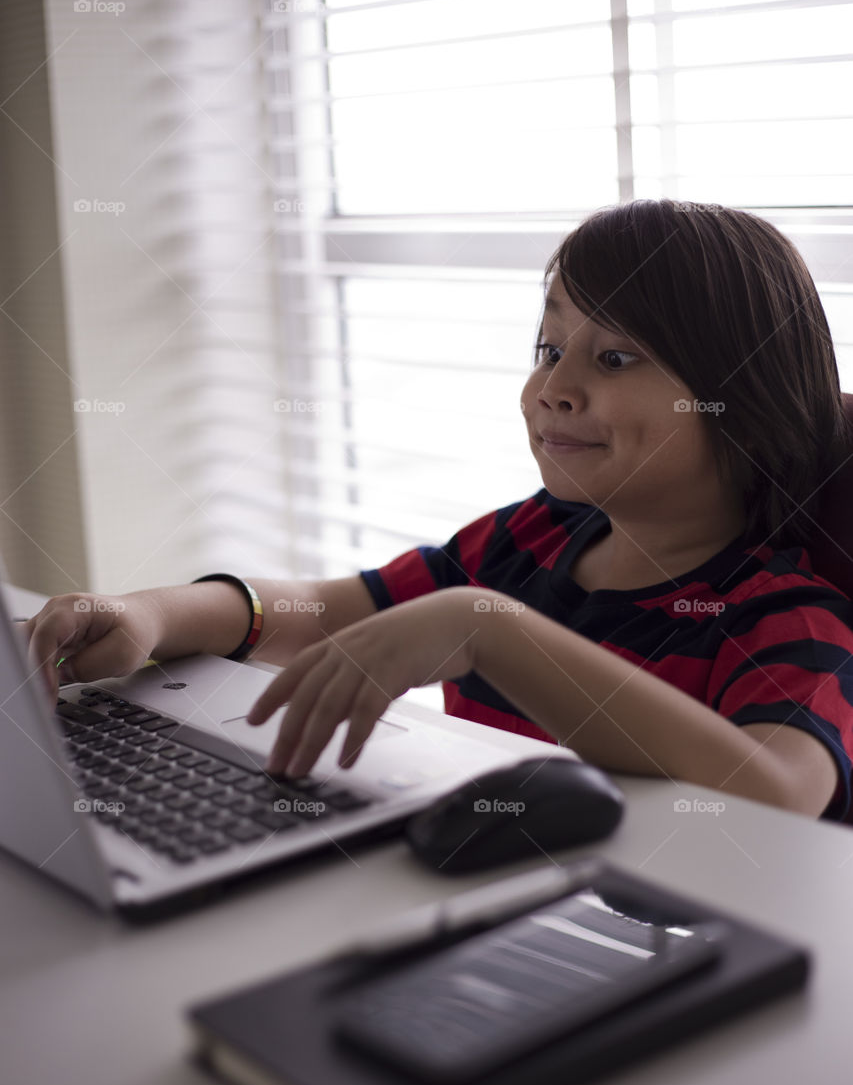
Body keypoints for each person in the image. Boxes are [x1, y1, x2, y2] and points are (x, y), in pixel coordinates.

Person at [19, 199, 853, 823]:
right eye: (547, 348)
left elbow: (776, 792)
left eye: (614, 356)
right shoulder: (521, 542)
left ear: (735, 396)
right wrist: (151, 616)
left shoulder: (786, 619)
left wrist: (491, 629)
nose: (554, 389)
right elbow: (318, 612)